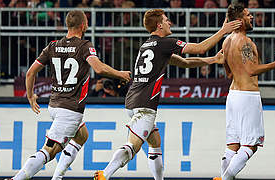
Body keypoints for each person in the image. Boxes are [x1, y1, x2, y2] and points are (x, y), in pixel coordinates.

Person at [93, 9, 241, 180]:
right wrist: (223, 31)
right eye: (166, 20)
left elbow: (185, 63)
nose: (170, 22)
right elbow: (199, 48)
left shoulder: (147, 46)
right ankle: (105, 173)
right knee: (132, 146)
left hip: (132, 101)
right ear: (159, 25)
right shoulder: (166, 43)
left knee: (155, 143)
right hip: (145, 105)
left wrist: (212, 60)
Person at [5, 10, 131, 180]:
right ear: (83, 25)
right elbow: (99, 68)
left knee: (82, 135)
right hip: (70, 110)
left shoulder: (52, 46)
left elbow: (30, 73)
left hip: (55, 105)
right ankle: (17, 179)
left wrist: (30, 95)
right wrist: (120, 74)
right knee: (49, 151)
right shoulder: (84, 46)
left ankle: (57, 177)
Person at [213, 3, 275, 180]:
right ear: (239, 21)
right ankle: (225, 179)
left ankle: (223, 176)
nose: (251, 17)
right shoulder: (245, 42)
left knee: (232, 145)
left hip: (233, 96)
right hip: (247, 96)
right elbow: (251, 70)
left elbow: (229, 73)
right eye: (248, 15)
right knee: (250, 145)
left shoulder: (227, 41)